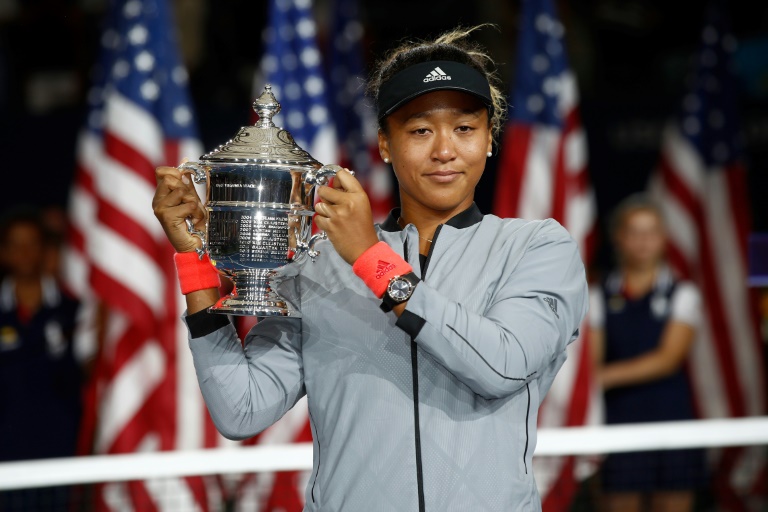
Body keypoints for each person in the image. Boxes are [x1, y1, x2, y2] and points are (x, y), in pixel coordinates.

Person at [153, 25, 588, 511]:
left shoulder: (538, 248)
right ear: (384, 144)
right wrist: (195, 261)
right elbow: (241, 409)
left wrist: (370, 258)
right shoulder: (317, 266)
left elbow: (501, 367)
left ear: (489, 139)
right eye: (420, 130)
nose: (445, 149)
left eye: (465, 128)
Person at [589, 194, 707, 512]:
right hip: (617, 418)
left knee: (673, 502)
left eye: (651, 231)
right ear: (618, 237)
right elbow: (591, 356)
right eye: (634, 231)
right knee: (618, 502)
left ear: (664, 238)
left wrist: (603, 377)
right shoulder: (598, 294)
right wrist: (594, 378)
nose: (643, 241)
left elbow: (668, 360)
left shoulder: (684, 293)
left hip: (672, 416)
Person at [0, 206, 83, 510]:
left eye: (32, 243)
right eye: (15, 244)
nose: (24, 252)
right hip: (4, 464)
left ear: (45, 250)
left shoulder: (75, 311)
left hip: (60, 459)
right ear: (3, 252)